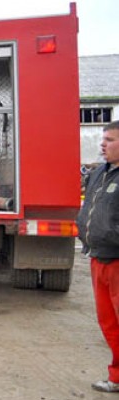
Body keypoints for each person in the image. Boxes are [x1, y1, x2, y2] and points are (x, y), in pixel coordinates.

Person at [78, 120, 119, 393]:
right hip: (98, 257)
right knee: (109, 322)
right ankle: (116, 377)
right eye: (103, 139)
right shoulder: (99, 173)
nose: (103, 144)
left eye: (111, 140)